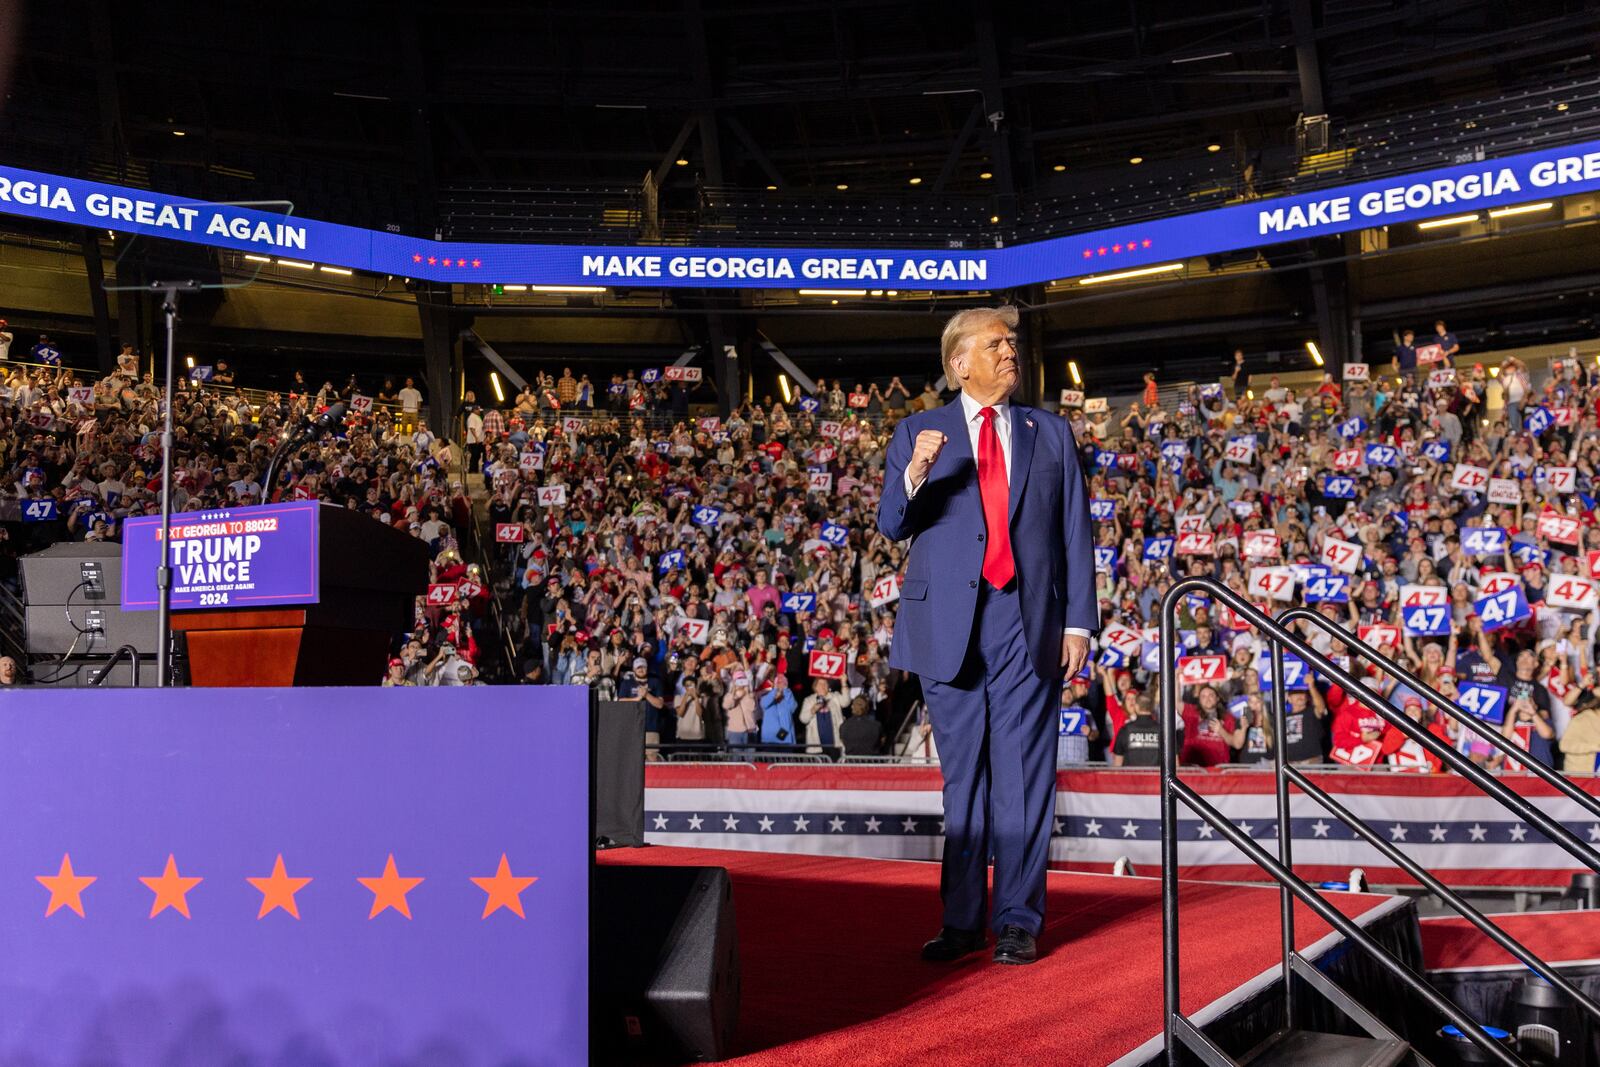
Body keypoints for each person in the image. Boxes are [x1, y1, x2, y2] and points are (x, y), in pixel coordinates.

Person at [878, 305, 1096, 967]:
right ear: (958, 363)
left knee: (1025, 776)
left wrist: (1079, 620)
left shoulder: (1051, 433)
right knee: (961, 781)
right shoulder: (918, 430)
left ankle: (1019, 919)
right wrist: (915, 471)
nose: (1010, 351)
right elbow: (893, 523)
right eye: (996, 343)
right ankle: (963, 918)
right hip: (946, 626)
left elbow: (1074, 533)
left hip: (1026, 622)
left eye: (1012, 343)